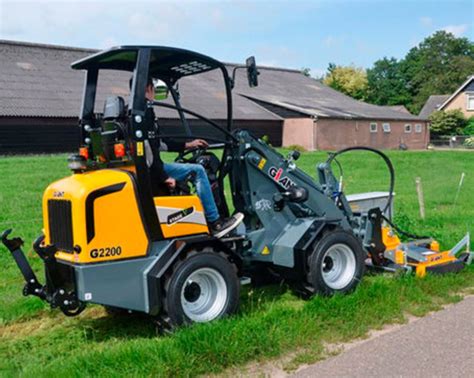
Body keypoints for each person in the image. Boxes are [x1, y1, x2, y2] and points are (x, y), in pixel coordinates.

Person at [139, 76, 244, 238]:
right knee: (198, 171)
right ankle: (215, 222)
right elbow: (147, 151)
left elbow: (159, 144)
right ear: (148, 89)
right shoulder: (144, 114)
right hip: (152, 171)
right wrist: (164, 177)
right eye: (153, 89)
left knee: (187, 168)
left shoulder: (131, 113)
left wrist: (189, 145)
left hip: (146, 169)